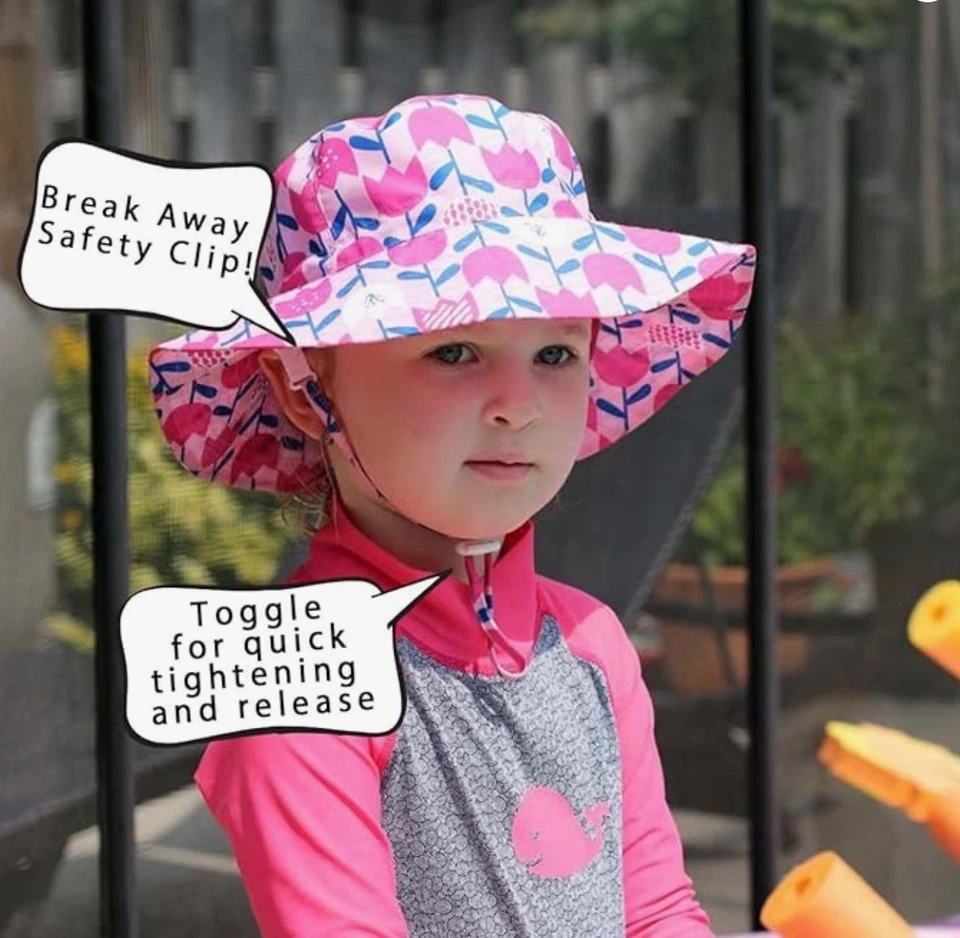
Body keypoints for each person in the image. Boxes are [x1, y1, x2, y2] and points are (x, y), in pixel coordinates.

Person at [148, 92, 756, 938]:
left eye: (554, 352)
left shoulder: (590, 644)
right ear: (304, 385)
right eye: (454, 350)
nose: (518, 405)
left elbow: (654, 909)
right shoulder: (299, 682)